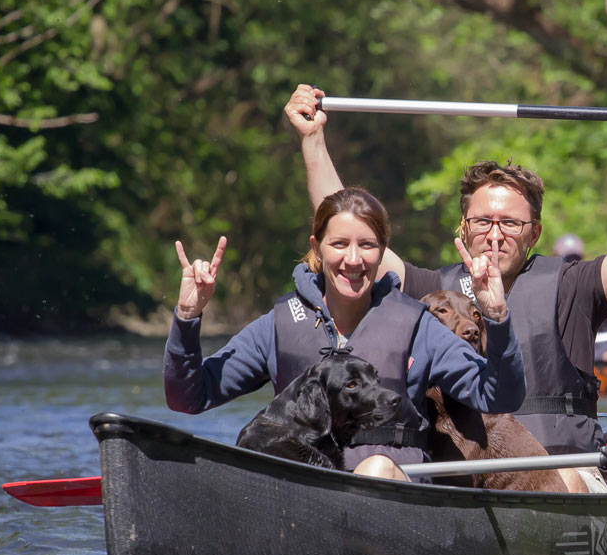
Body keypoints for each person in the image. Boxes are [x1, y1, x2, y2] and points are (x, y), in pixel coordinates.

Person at [284, 85, 607, 489]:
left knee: (562, 479)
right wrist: (313, 140)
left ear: (535, 234)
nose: (495, 235)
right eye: (482, 222)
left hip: (564, 476)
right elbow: (347, 231)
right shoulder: (429, 290)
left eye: (510, 223)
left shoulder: (575, 287)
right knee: (374, 468)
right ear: (464, 228)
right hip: (456, 478)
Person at [163, 187, 526, 481]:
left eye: (367, 245)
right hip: (304, 490)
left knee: (376, 469)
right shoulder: (277, 325)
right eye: (339, 244)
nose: (353, 260)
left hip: (392, 491)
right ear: (318, 247)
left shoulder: (418, 326)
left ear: (382, 251)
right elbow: (188, 398)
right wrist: (187, 317)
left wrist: (496, 316)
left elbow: (500, 396)